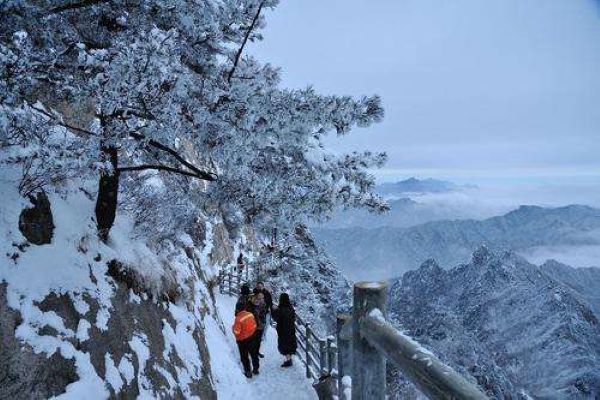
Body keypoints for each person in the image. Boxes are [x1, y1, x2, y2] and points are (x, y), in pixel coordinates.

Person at [232, 303, 260, 378]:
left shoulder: (238, 319)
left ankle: (248, 372)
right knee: (254, 354)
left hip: (242, 341)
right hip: (252, 337)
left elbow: (237, 331)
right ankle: (256, 369)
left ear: (237, 309)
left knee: (244, 356)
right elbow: (255, 325)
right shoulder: (250, 314)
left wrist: (233, 328)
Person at [272, 292, 297, 367]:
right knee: (290, 343)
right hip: (291, 329)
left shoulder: (280, 309)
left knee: (284, 345)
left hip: (283, 330)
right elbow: (293, 318)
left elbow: (276, 318)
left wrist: (274, 310)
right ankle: (289, 358)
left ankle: (288, 360)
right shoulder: (291, 308)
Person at [248, 290, 268, 358]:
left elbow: (263, 314)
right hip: (253, 326)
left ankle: (256, 352)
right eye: (259, 298)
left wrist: (262, 323)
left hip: (260, 326)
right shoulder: (251, 304)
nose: (261, 299)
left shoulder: (263, 304)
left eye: (262, 298)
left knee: (258, 341)